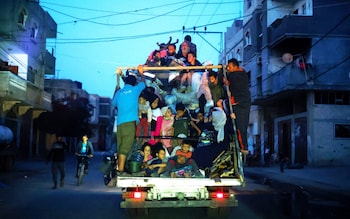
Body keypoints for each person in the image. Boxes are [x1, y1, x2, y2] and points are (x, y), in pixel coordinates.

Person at [112, 65, 145, 175]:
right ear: (134, 83)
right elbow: (143, 84)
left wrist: (116, 91)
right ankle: (120, 170)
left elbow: (113, 104)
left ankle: (119, 168)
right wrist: (141, 72)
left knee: (120, 145)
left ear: (125, 83)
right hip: (129, 122)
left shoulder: (119, 92)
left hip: (120, 123)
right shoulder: (135, 90)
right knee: (126, 146)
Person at [225, 58, 251, 152]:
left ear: (235, 67)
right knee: (244, 125)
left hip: (237, 103)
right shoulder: (244, 73)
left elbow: (223, 79)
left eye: (230, 67)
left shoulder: (231, 76)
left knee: (239, 127)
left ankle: (243, 147)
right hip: (246, 101)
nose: (229, 68)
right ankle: (244, 146)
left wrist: (222, 71)